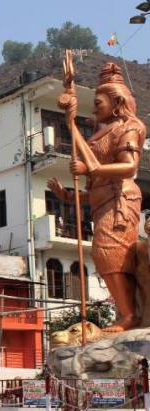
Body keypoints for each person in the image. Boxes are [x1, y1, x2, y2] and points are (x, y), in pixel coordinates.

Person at [50, 60, 146, 333]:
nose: (95, 107)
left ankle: (130, 316)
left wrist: (91, 167)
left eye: (99, 102)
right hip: (102, 200)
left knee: (110, 255)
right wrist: (69, 197)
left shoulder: (131, 126)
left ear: (117, 103)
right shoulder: (101, 132)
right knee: (105, 257)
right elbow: (94, 183)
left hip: (120, 199)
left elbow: (128, 167)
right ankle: (126, 313)